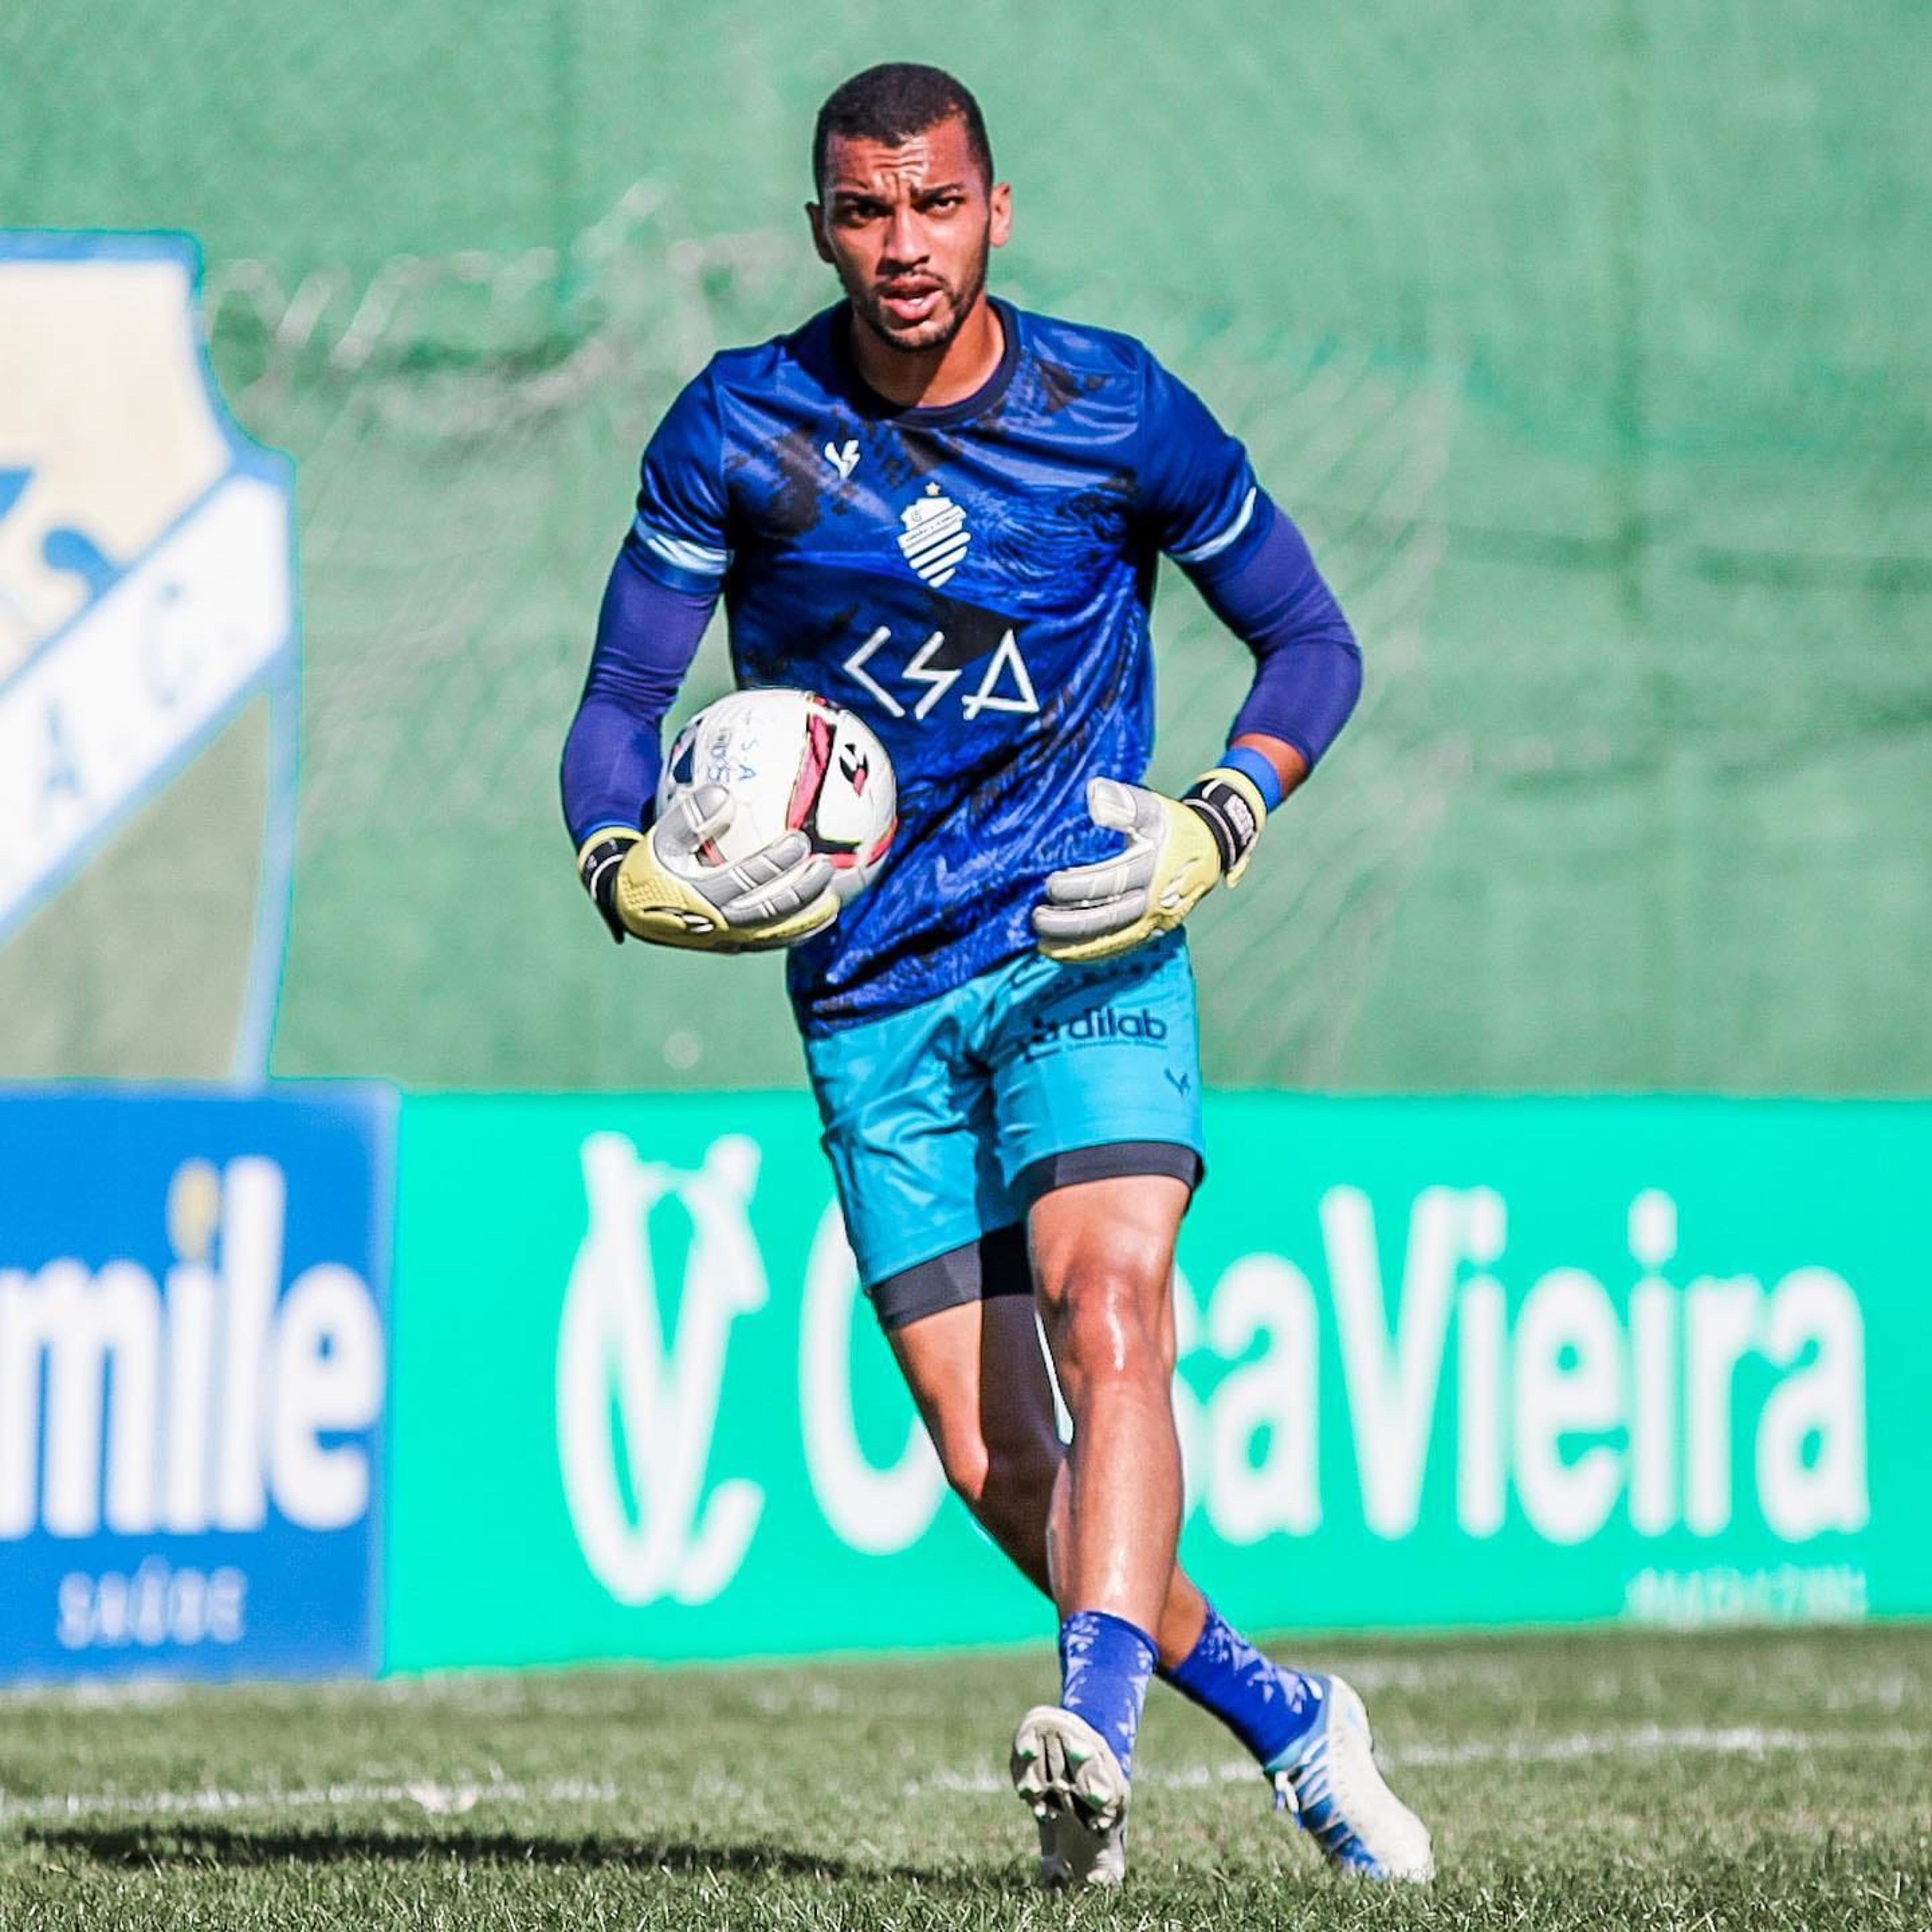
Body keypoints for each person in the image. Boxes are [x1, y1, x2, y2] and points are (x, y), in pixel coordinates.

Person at [561, 61, 1432, 1889]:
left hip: (1082, 932)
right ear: (820, 227)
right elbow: (621, 704)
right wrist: (617, 861)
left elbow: (1309, 641)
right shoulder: (740, 430)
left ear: (996, 212)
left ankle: (1091, 1745)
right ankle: (1290, 1724)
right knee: (987, 1457)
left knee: (1111, 1307)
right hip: (873, 990)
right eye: (865, 212)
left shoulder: (1114, 411)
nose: (902, 246)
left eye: (934, 205)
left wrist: (1220, 818)